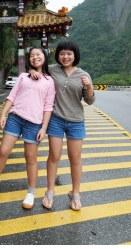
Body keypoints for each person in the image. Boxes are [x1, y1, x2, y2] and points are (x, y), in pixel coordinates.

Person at [30, 38, 95, 211]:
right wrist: (32, 70)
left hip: (76, 121)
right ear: (58, 55)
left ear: (75, 55)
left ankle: (75, 194)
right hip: (56, 120)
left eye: (69, 53)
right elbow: (37, 67)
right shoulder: (52, 70)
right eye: (62, 53)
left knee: (75, 159)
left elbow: (90, 101)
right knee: (54, 156)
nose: (65, 56)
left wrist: (89, 87)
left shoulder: (83, 75)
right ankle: (50, 192)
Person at [0, 47, 55, 209]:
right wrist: (3, 114)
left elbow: (48, 106)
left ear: (45, 57)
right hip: (15, 118)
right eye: (32, 55)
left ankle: (31, 193)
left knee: (30, 158)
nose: (35, 57)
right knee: (3, 151)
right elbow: (12, 96)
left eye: (38, 54)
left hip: (34, 123)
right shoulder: (23, 76)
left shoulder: (49, 81)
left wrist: (43, 128)